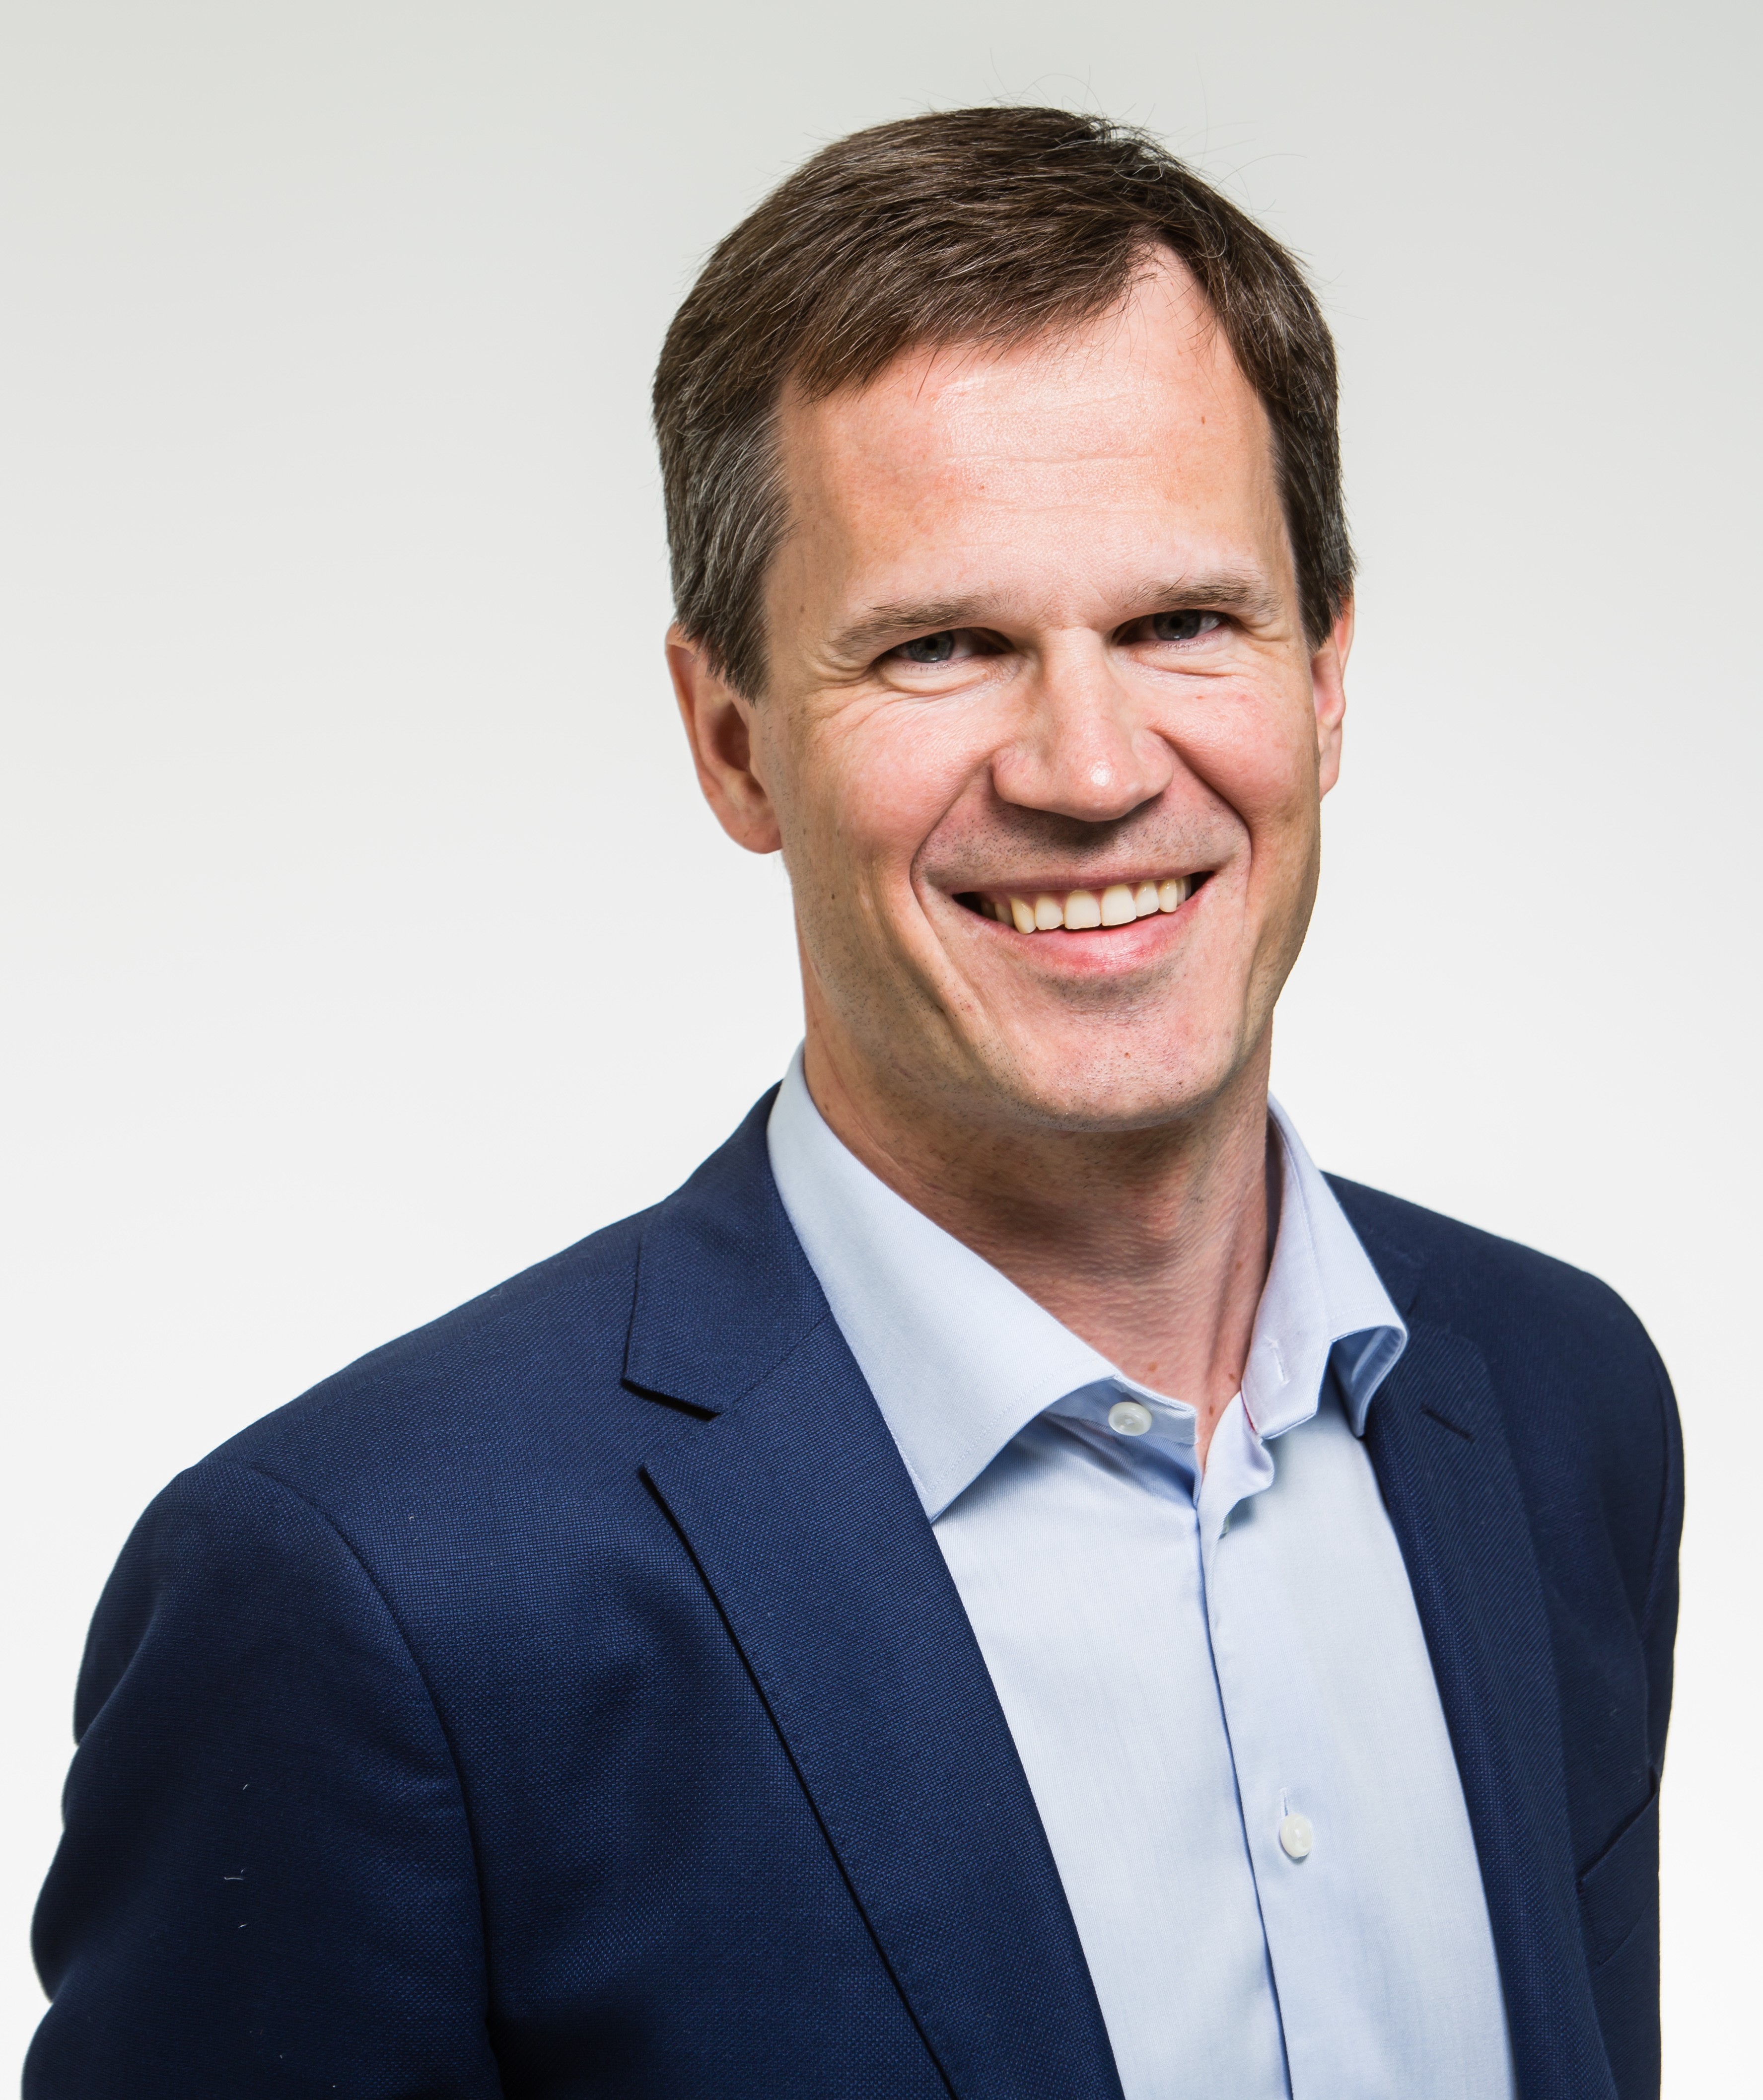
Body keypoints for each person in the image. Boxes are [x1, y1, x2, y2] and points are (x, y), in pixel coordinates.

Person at [27, 108, 1679, 2100]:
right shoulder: (374, 1601)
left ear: (1324, 674)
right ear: (732, 742)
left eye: (1182, 623)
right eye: (943, 646)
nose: (1090, 768)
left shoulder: (1561, 1405)